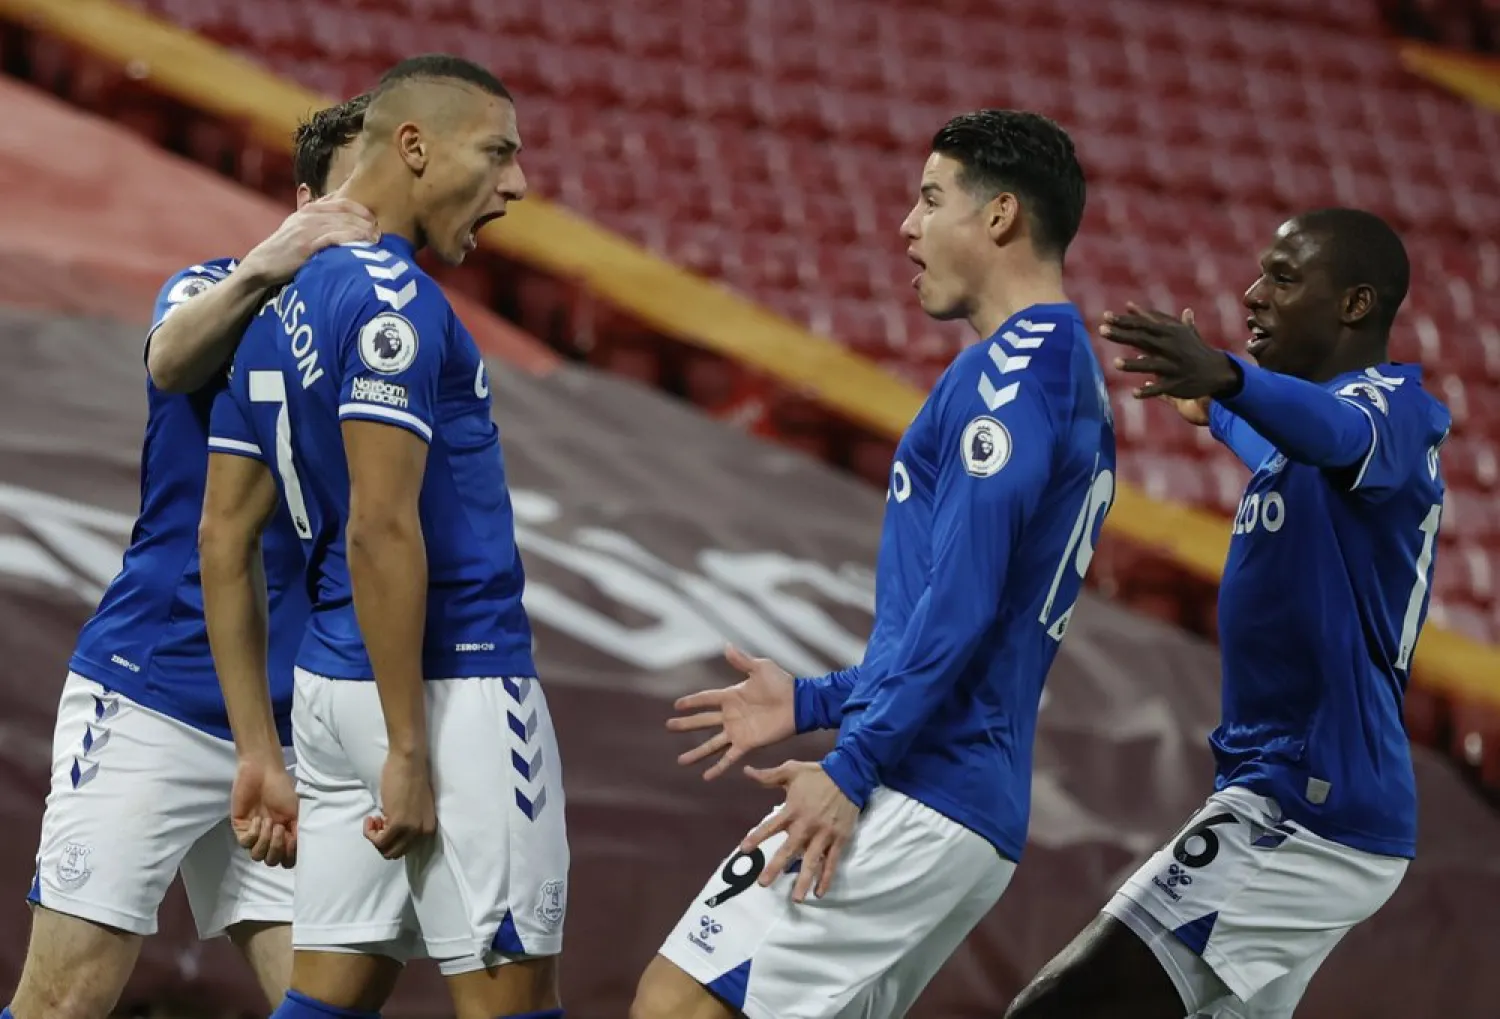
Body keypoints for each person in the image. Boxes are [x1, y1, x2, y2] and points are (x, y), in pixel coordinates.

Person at [630, 109, 1116, 1019]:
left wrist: (850, 767)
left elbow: (960, 613)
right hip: (961, 795)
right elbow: (963, 622)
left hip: (922, 783)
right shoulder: (1061, 372)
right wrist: (811, 702)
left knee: (679, 1005)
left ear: (1001, 215)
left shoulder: (1009, 378)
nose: (907, 225)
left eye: (931, 199)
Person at [1003, 208, 1450, 1019]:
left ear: (1354, 304)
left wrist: (1231, 377)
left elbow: (1337, 432)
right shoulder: (1300, 449)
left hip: (1305, 807)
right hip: (1309, 803)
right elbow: (1287, 441)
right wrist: (1214, 405)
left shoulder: (1393, 408)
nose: (1251, 294)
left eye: (1282, 277)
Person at [199, 54, 565, 1019]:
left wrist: (259, 743)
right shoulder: (395, 303)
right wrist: (409, 745)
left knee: (327, 1003)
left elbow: (224, 532)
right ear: (413, 146)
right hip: (449, 688)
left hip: (328, 691)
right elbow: (380, 526)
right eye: (497, 152)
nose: (517, 184)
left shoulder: (274, 295)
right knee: (513, 1003)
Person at [4, 100, 378, 1019]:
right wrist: (271, 263)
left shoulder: (392, 344)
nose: (377, 217)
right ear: (306, 200)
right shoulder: (214, 285)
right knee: (63, 1003)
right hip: (153, 694)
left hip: (293, 724)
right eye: (361, 193)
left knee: (323, 1006)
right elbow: (171, 360)